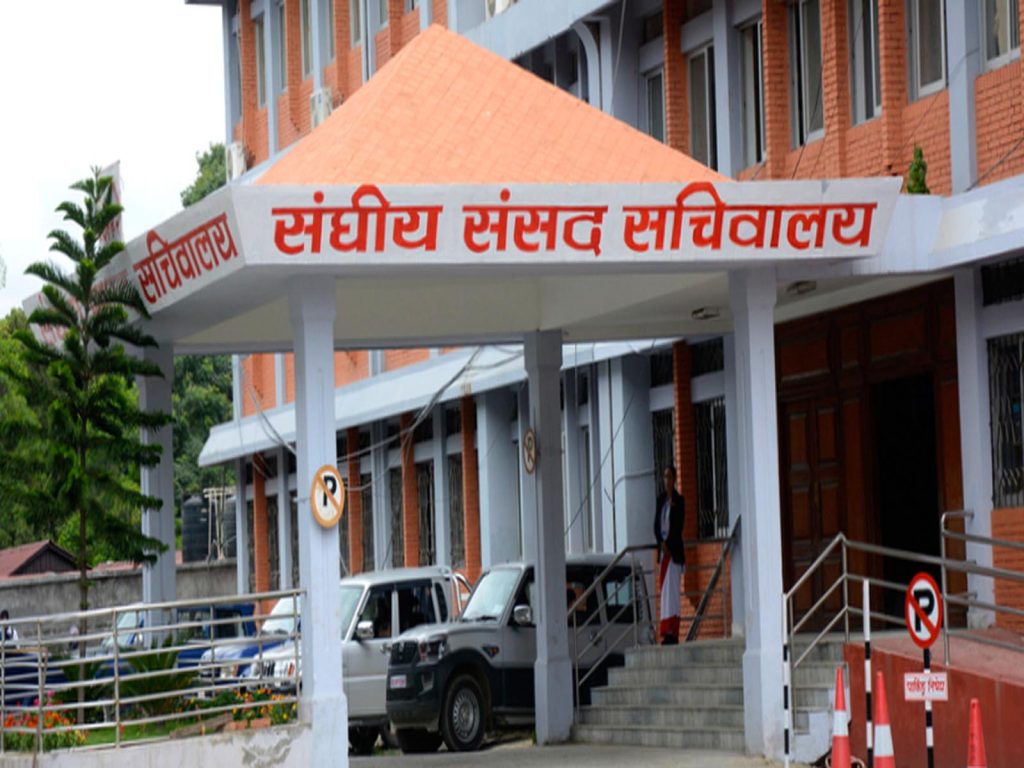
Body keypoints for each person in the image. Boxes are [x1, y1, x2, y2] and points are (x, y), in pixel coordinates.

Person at [653, 466, 685, 645]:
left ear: (674, 479)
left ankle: (674, 631)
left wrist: (669, 544)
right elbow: (656, 525)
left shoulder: (680, 501)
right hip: (664, 553)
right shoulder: (660, 500)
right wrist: (661, 543)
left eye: (669, 477)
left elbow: (679, 526)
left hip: (674, 553)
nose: (667, 480)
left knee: (673, 594)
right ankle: (666, 632)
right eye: (664, 477)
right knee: (665, 594)